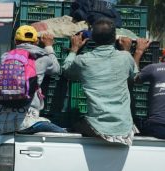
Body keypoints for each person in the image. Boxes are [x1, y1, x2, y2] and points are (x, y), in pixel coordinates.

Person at [62, 17, 150, 145]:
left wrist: (74, 49)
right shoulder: (125, 57)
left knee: (76, 122)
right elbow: (134, 78)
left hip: (97, 128)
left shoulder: (83, 60)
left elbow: (66, 72)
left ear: (92, 38)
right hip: (125, 129)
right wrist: (136, 51)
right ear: (115, 37)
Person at [0, 25, 66, 134]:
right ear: (36, 42)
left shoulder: (5, 57)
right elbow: (56, 69)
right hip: (27, 120)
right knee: (62, 132)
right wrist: (48, 47)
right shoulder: (43, 59)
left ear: (16, 41)